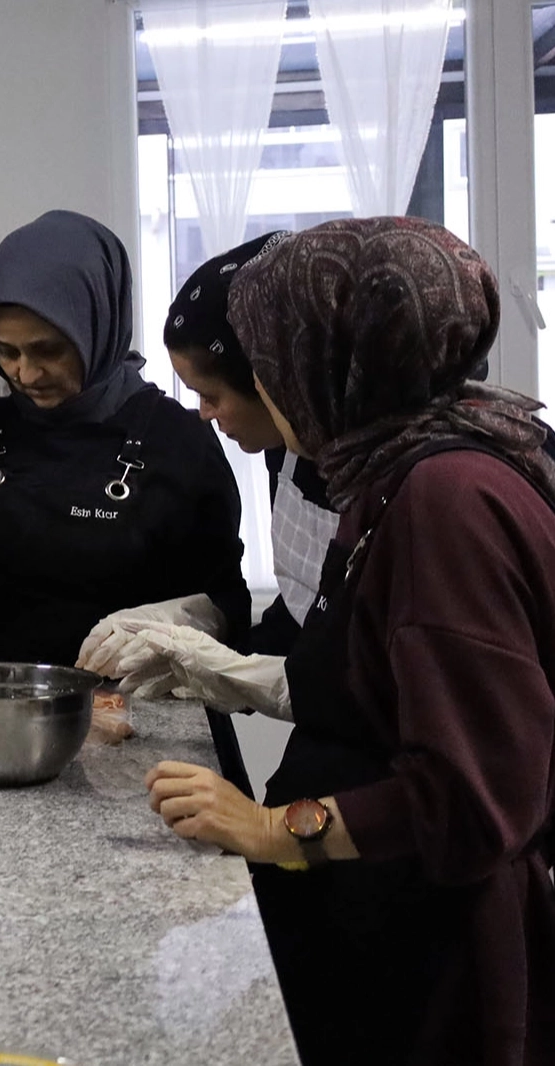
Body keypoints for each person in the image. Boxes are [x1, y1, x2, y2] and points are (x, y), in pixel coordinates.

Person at [144, 218, 555, 1065]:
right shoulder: (400, 464)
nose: (261, 380)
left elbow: (472, 801)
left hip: (429, 938)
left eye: (266, 357)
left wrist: (271, 829)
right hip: (382, 901)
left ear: (322, 357)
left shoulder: (445, 499)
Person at [0, 211, 251, 670]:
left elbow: (229, 602)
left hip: (136, 700)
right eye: (6, 351)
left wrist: (188, 620)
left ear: (98, 325)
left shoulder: (179, 442)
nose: (26, 373)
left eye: (48, 350)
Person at [78, 231, 337, 721]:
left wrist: (234, 671)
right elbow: (306, 613)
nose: (203, 413)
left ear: (274, 376)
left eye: (212, 396)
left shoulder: (407, 484)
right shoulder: (286, 451)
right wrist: (206, 646)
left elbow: (389, 679)